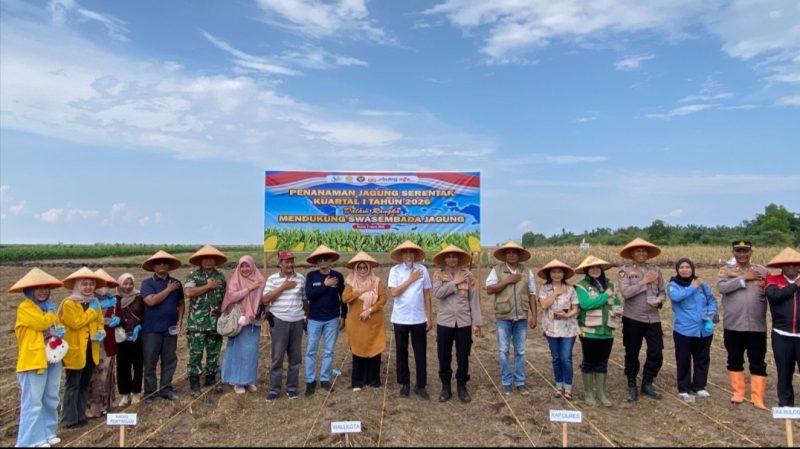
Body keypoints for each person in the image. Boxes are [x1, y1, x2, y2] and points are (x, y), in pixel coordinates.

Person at [11, 268, 65, 448]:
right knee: (33, 402)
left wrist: (58, 330)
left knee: (51, 398)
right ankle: (30, 440)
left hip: (51, 357)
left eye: (45, 288)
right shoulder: (25, 307)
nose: (43, 291)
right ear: (30, 290)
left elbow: (54, 326)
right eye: (38, 288)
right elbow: (41, 323)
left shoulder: (47, 307)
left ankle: (48, 432)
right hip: (33, 361)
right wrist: (52, 314)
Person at [718, 240, 769, 409]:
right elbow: (722, 288)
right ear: (733, 252)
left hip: (757, 325)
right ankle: (738, 392)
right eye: (738, 251)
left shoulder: (762, 271)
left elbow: (771, 289)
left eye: (745, 251)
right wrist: (742, 279)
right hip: (734, 325)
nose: (742, 254)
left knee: (758, 361)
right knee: (734, 359)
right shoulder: (726, 270)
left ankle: (757, 397)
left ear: (751, 252)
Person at [431, 245, 482, 403]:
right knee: (443, 355)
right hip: (445, 322)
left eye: (455, 256)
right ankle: (445, 387)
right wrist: (454, 283)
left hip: (464, 321)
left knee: (463, 356)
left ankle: (462, 386)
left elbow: (473, 299)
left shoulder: (468, 275)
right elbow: (438, 294)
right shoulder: (438, 275)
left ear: (459, 258)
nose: (452, 259)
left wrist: (476, 322)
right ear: (444, 259)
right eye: (449, 256)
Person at [485, 241, 537, 396]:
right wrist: (508, 280)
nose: (512, 255)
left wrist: (534, 316)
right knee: (503, 350)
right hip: (503, 316)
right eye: (509, 252)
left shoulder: (527, 272)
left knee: (520, 351)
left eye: (515, 253)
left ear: (519, 255)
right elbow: (489, 289)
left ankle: (520, 382)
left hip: (521, 316)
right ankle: (507, 382)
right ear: (505, 255)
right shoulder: (496, 270)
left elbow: (532, 294)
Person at [618, 237, 666, 402]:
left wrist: (660, 301)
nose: (642, 254)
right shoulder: (624, 271)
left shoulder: (656, 270)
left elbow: (662, 291)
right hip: (633, 318)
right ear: (631, 254)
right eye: (638, 251)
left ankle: (647, 382)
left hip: (653, 318)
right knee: (632, 352)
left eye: (644, 251)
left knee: (656, 352)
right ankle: (632, 384)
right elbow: (626, 293)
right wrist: (644, 282)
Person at [59, 267, 105, 428]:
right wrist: (92, 311)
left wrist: (102, 332)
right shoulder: (69, 303)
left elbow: (99, 322)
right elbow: (76, 323)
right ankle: (69, 419)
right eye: (84, 284)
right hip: (75, 350)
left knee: (85, 383)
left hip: (91, 349)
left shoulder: (94, 303)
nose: (88, 287)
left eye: (91, 284)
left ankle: (80, 416)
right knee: (73, 385)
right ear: (77, 286)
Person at [667, 258, 718, 403]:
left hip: (704, 329)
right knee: (683, 358)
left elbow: (712, 300)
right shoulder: (673, 285)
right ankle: (683, 387)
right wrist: (692, 287)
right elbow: (676, 297)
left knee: (702, 357)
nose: (685, 270)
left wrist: (709, 316)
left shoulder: (702, 284)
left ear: (692, 269)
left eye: (687, 267)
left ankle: (699, 386)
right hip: (684, 329)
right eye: (681, 267)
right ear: (677, 270)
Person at [387, 240, 433, 399]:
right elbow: (394, 292)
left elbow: (427, 294)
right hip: (400, 317)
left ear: (415, 255)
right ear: (401, 255)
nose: (408, 255)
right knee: (401, 351)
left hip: (419, 318)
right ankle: (404, 383)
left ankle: (421, 385)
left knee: (420, 352)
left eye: (411, 252)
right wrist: (411, 279)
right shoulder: (395, 270)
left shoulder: (423, 269)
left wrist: (429, 317)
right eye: (405, 252)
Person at [575, 256, 620, 407]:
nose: (595, 270)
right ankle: (589, 394)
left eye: (597, 267)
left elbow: (616, 301)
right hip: (589, 331)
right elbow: (586, 304)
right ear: (586, 270)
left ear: (601, 269)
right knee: (589, 362)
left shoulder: (610, 284)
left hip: (607, 331)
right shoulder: (581, 286)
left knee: (603, 363)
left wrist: (618, 308)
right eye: (591, 268)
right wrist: (606, 295)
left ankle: (601, 393)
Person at [140, 250, 185, 402]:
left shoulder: (177, 283)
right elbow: (151, 301)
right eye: (159, 263)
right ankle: (150, 392)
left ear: (169, 267)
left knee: (170, 360)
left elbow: (181, 304)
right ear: (153, 267)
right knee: (150, 361)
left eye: (165, 263)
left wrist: (179, 321)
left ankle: (166, 389)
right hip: (151, 329)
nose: (162, 265)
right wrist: (168, 289)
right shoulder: (147, 283)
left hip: (170, 328)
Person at [184, 245, 228, 396]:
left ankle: (210, 380)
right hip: (197, 324)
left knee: (214, 353)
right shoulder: (193, 276)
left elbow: (225, 297)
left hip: (215, 323)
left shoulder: (221, 277)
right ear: (200, 261)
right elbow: (188, 292)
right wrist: (208, 286)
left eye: (211, 259)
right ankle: (194, 383)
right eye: (205, 259)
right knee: (195, 354)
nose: (208, 262)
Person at [262, 250, 306, 402]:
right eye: (286, 262)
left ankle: (292, 388)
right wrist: (284, 287)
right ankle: (274, 389)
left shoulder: (301, 278)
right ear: (280, 264)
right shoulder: (273, 279)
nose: (290, 264)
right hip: (279, 321)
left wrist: (306, 317)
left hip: (297, 321)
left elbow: (304, 300)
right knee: (277, 357)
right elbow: (265, 299)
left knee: (295, 357)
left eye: (291, 261)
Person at [304, 244, 346, 396]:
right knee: (311, 350)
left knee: (329, 350)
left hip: (332, 319)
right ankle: (310, 381)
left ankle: (324, 378)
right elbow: (309, 295)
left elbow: (343, 298)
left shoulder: (338, 276)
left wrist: (344, 316)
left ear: (331, 260)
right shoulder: (311, 276)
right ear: (316, 262)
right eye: (320, 259)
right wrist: (324, 285)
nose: (323, 261)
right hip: (314, 319)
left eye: (325, 258)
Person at [342, 251, 387, 391]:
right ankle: (358, 382)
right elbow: (345, 298)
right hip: (357, 323)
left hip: (374, 322)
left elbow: (383, 299)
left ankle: (373, 380)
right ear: (355, 269)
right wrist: (360, 291)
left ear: (369, 268)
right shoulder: (350, 282)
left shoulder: (377, 281)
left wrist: (370, 310)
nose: (362, 270)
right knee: (358, 350)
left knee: (374, 349)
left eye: (365, 267)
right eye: (359, 267)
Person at [221, 255, 266, 394]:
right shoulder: (235, 279)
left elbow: (263, 299)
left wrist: (262, 312)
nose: (245, 269)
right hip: (239, 322)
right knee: (238, 352)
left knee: (251, 353)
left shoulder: (260, 280)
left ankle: (249, 380)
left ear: (252, 266)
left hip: (253, 322)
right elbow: (232, 296)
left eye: (248, 266)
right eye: (242, 266)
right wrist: (249, 288)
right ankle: (237, 382)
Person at [537, 259, 580, 400]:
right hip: (551, 328)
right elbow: (544, 305)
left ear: (564, 274)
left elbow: (576, 308)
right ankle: (559, 385)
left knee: (566, 358)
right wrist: (556, 292)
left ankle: (568, 387)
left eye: (560, 272)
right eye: (554, 272)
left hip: (568, 328)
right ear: (549, 274)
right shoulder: (545, 289)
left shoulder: (571, 289)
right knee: (556, 358)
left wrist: (568, 315)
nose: (557, 275)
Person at [764, 247, 800, 406]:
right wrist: (795, 286)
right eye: (787, 265)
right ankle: (786, 406)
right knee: (784, 371)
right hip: (781, 335)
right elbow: (775, 296)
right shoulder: (773, 281)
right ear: (781, 267)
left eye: (795, 265)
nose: (791, 268)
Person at [85, 269, 124, 418]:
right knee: (94, 376)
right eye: (101, 284)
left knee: (106, 374)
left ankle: (106, 404)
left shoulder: (113, 301)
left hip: (109, 342)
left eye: (107, 285)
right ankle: (92, 408)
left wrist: (118, 320)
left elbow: (120, 316)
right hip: (93, 342)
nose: (104, 287)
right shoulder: (87, 300)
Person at [114, 273, 144, 406]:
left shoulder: (139, 297)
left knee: (138, 365)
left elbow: (145, 314)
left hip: (137, 336)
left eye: (130, 283)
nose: (128, 286)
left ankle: (136, 392)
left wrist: (140, 326)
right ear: (119, 284)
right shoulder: (114, 299)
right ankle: (125, 395)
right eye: (125, 283)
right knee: (122, 367)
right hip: (121, 337)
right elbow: (110, 315)